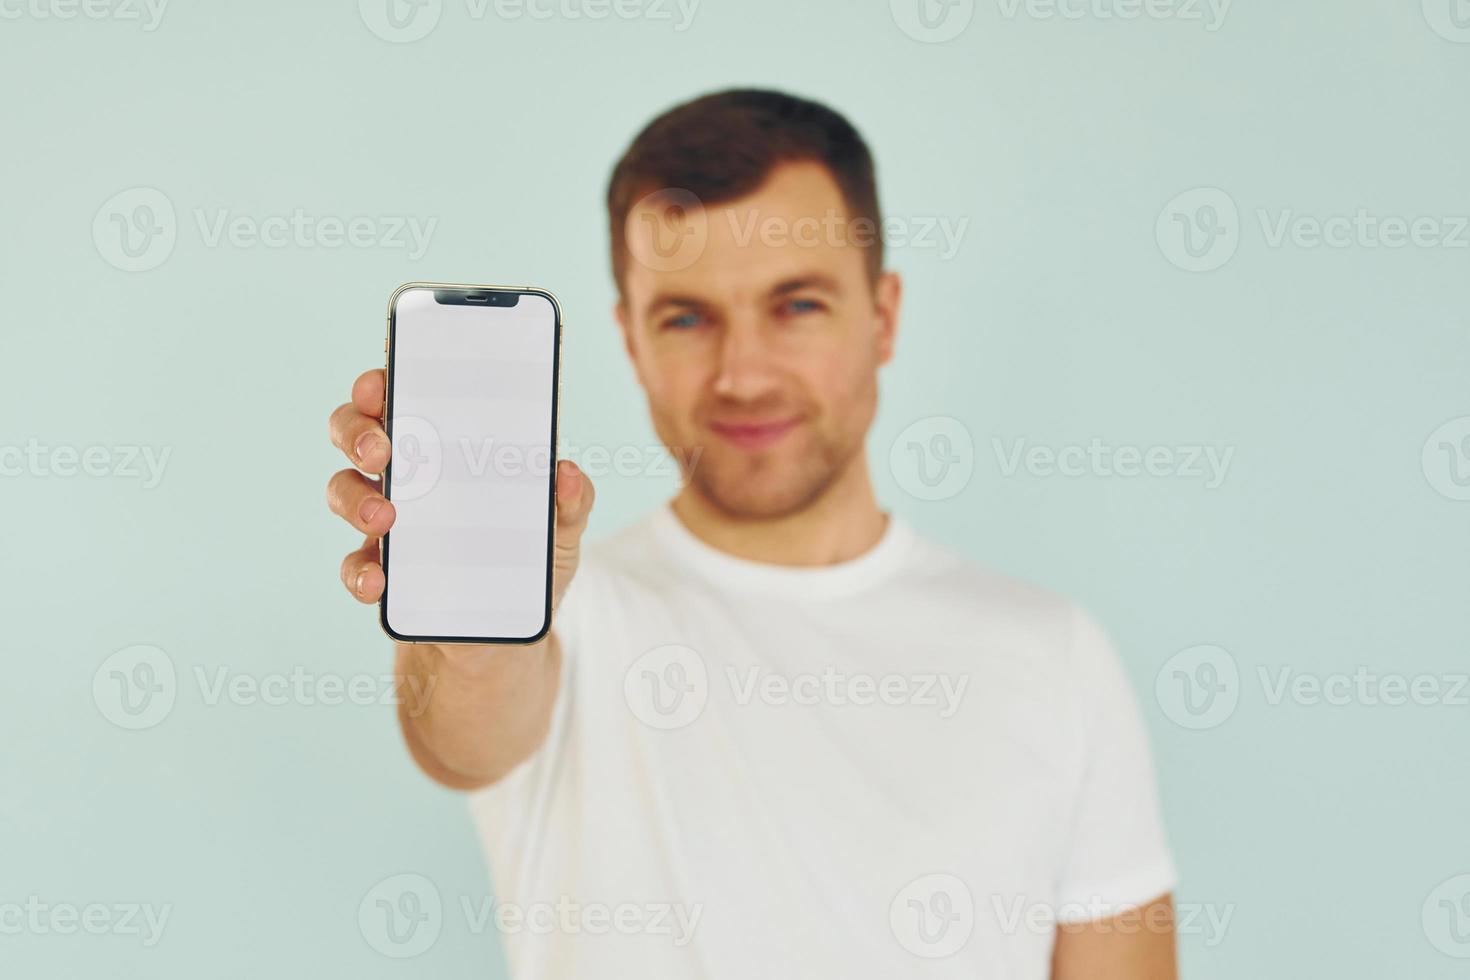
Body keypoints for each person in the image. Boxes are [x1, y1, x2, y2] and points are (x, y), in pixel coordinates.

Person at [326, 89, 1178, 979]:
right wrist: (473, 627)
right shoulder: (562, 619)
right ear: (630, 341)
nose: (742, 375)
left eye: (797, 304)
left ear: (882, 316)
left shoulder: (1054, 656)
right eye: (686, 317)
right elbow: (467, 733)